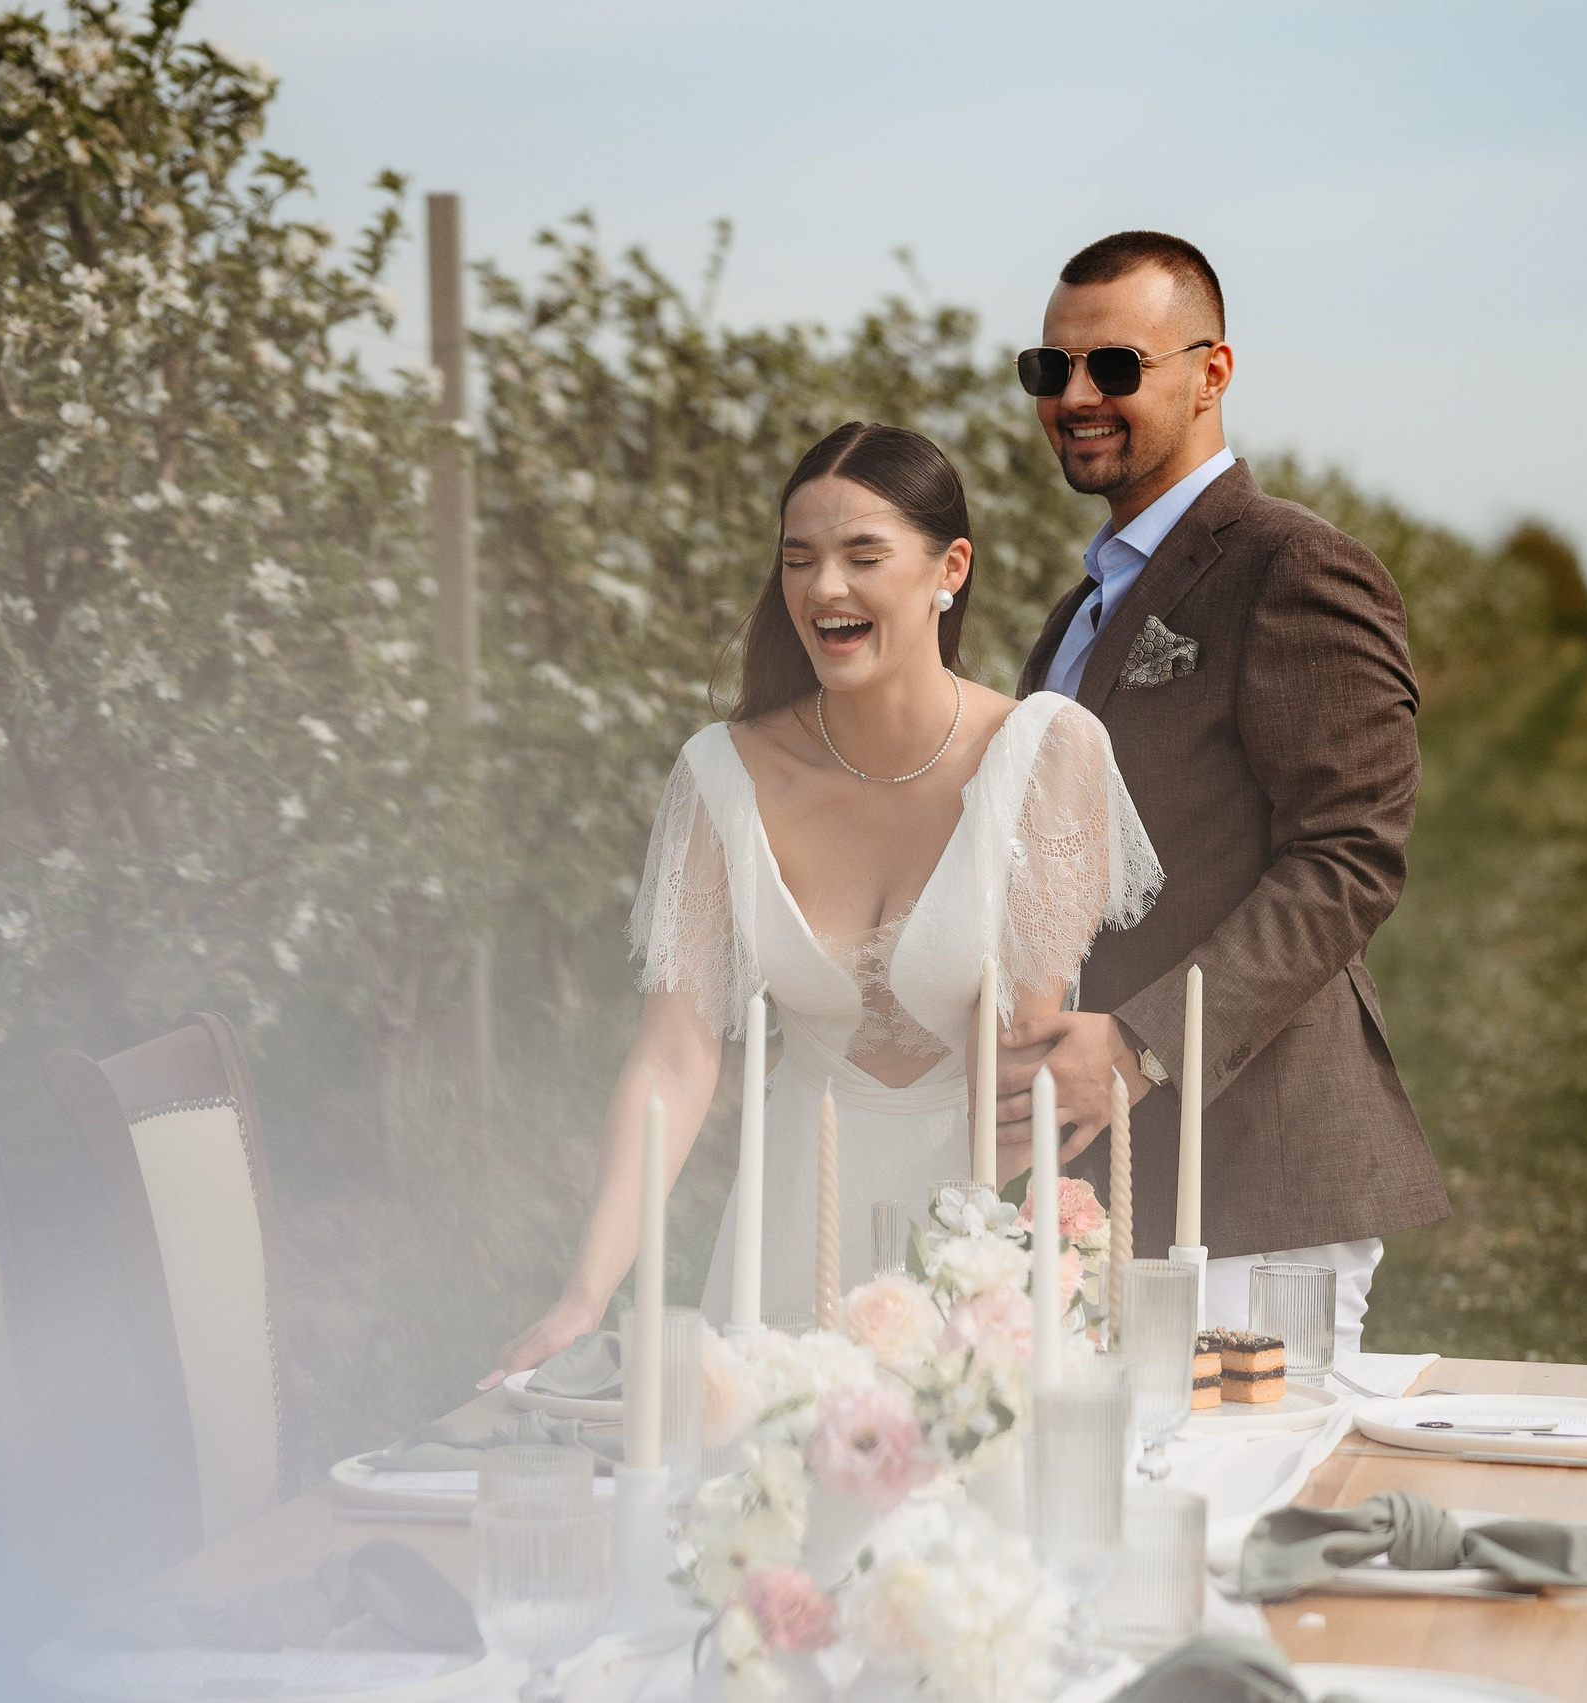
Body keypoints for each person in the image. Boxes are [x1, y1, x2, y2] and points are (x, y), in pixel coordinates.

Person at [488, 422, 1159, 1381]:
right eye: (798, 560)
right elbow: (673, 1057)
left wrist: (977, 1285)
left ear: (949, 568)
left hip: (970, 1235)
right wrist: (582, 1294)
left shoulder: (1049, 754)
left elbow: (1022, 1060)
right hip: (783, 1230)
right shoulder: (720, 773)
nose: (823, 589)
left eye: (862, 556)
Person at [997, 231, 1450, 1354]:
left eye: (1115, 366)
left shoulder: (1290, 567)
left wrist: (1138, 1046)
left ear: (1212, 372)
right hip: (1099, 1177)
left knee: (1247, 1509)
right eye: (1051, 371)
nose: (1076, 397)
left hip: (1256, 1171)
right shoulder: (1076, 612)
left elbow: (1348, 857)